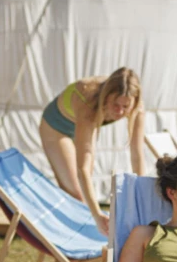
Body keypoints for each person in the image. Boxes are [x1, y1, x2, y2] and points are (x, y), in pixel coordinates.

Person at [39, 67, 146, 236]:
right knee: (76, 195)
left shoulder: (137, 107)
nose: (119, 112)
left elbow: (137, 154)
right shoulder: (88, 102)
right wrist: (97, 215)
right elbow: (83, 168)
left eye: (125, 106)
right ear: (106, 98)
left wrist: (142, 195)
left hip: (81, 126)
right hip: (56, 130)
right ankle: (71, 246)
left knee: (82, 197)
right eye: (115, 104)